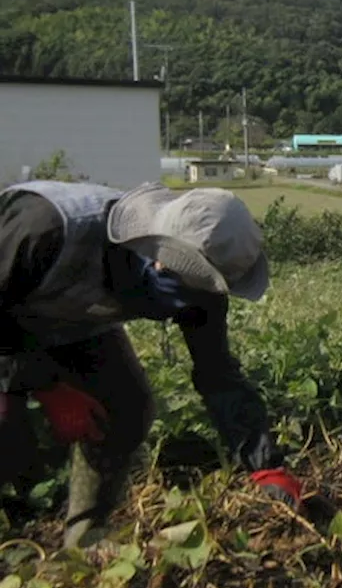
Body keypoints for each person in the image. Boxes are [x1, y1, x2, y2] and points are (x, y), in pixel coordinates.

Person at [0, 180, 298, 549]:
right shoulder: (45, 226)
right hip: (10, 310)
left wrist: (265, 465)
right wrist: (47, 388)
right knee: (6, 425)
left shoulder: (198, 291)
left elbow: (218, 376)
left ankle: (84, 539)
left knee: (126, 406)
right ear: (160, 258)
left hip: (71, 318)